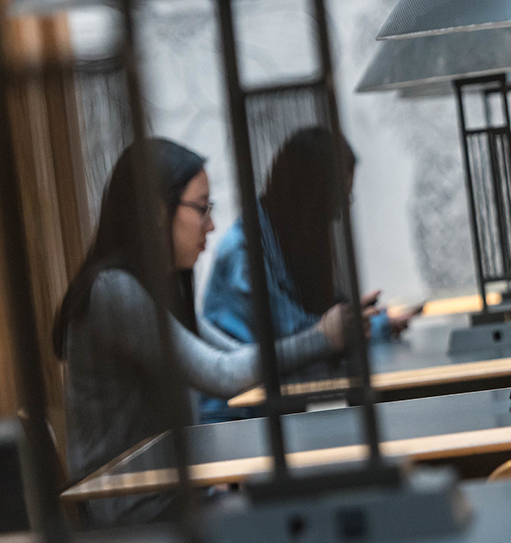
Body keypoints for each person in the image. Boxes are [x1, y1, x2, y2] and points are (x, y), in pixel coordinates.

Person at [54, 138, 371, 527]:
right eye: (202, 209)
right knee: (299, 514)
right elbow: (222, 375)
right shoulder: (114, 291)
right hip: (133, 514)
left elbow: (234, 354)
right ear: (156, 211)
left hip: (172, 493)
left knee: (305, 501)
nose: (212, 224)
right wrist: (322, 336)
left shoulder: (156, 288)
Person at [200, 127, 419, 423]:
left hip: (271, 408)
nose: (342, 209)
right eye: (341, 195)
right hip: (236, 418)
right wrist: (367, 322)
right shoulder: (244, 252)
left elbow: (322, 321)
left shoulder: (286, 237)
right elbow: (298, 336)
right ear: (313, 193)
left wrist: (368, 318)